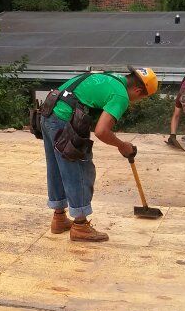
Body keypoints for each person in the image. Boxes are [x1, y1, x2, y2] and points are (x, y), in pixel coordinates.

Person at [39, 66, 157, 242]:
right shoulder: (121, 95)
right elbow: (102, 131)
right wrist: (122, 145)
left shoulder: (110, 77)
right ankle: (80, 226)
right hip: (63, 119)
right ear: (138, 90)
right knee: (80, 170)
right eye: (140, 99)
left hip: (47, 113)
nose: (134, 102)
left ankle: (59, 218)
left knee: (56, 167)